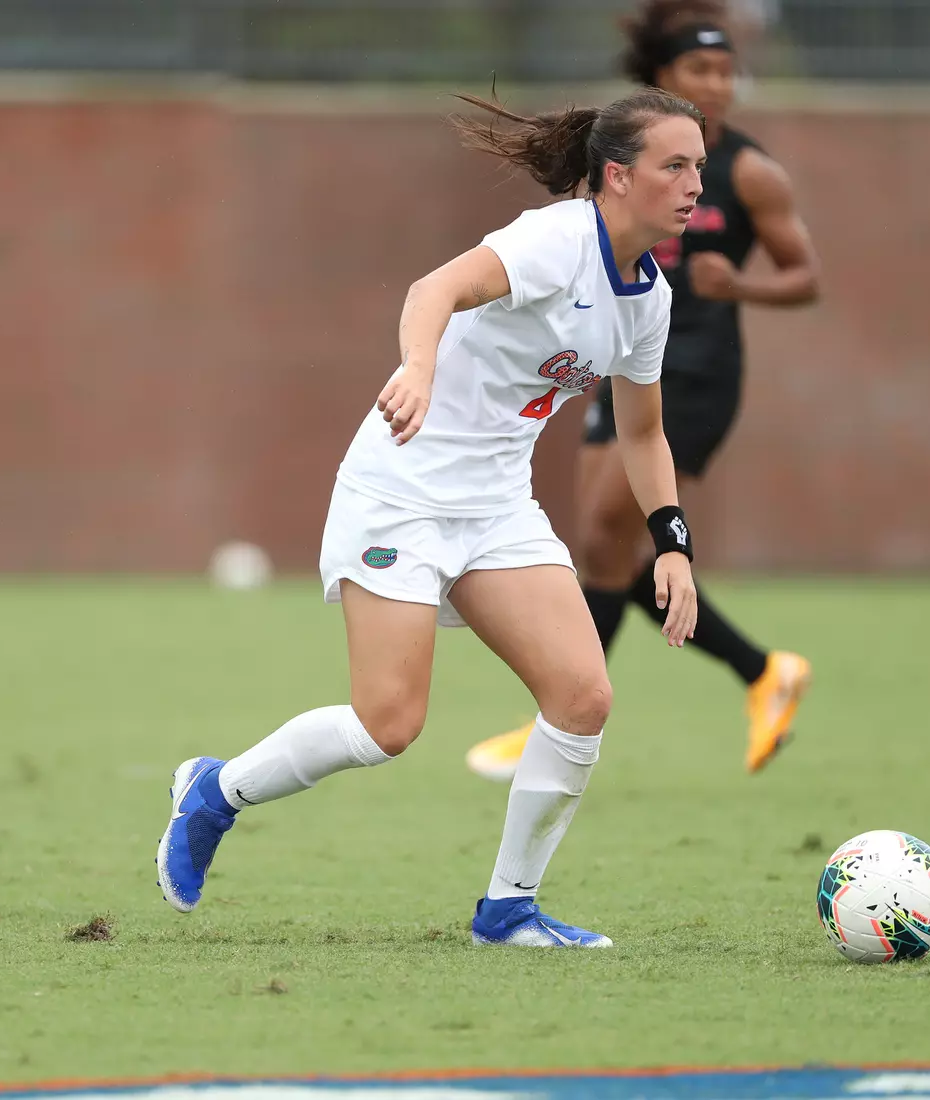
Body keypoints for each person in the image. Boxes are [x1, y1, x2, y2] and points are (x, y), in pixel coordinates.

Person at [156, 87, 706, 948]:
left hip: (496, 506)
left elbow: (643, 432)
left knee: (583, 695)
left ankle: (508, 909)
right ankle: (215, 793)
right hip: (400, 491)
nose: (693, 182)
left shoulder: (649, 297)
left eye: (699, 166)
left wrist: (671, 540)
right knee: (388, 726)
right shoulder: (557, 240)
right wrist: (417, 367)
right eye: (675, 165)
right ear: (617, 175)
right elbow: (433, 289)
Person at [465, 0, 821, 782]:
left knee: (613, 540)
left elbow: (806, 277)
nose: (718, 85)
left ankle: (557, 717)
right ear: (663, 81)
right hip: (614, 361)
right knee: (601, 547)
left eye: (728, 70)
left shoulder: (750, 171)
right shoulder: (629, 170)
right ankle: (760, 670)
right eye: (700, 70)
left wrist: (742, 289)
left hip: (691, 373)